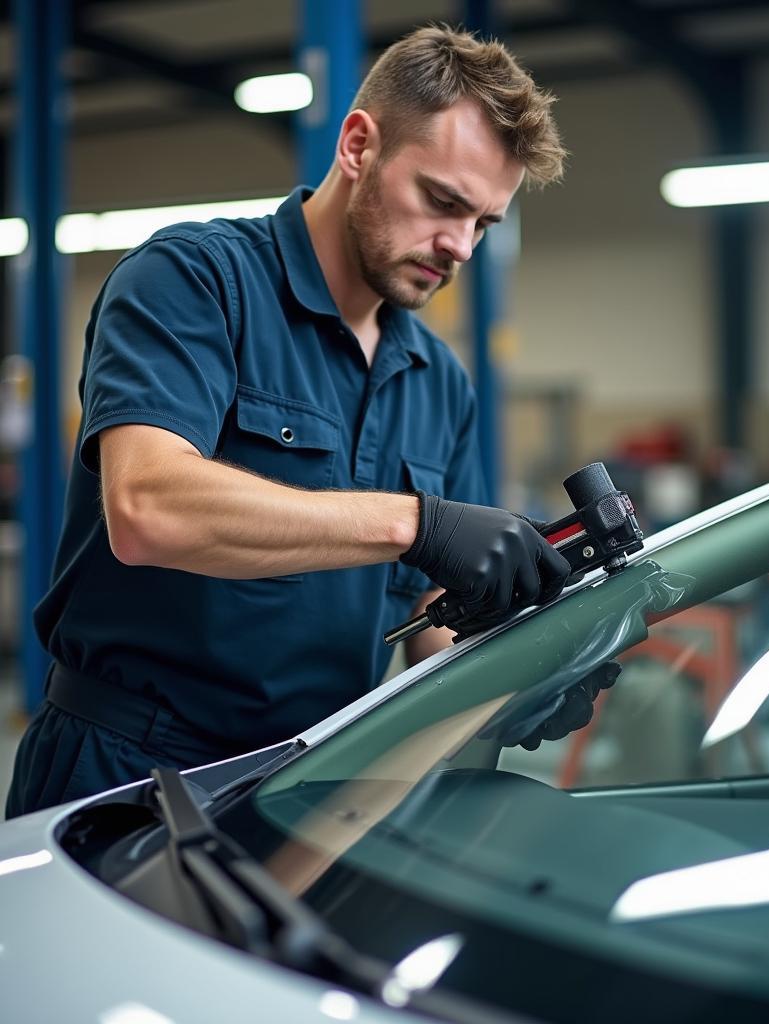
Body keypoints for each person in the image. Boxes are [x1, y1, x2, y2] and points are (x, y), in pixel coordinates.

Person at [5, 25, 590, 818]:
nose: (457, 245)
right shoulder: (192, 280)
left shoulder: (438, 380)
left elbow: (428, 618)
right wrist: (415, 523)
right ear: (357, 146)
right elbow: (147, 509)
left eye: (484, 223)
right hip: (127, 768)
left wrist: (515, 680)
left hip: (313, 784)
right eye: (443, 201)